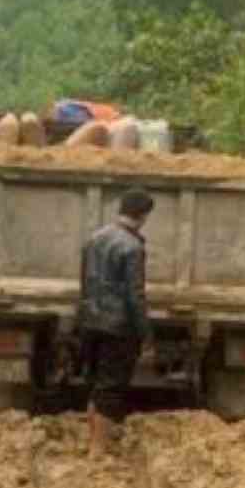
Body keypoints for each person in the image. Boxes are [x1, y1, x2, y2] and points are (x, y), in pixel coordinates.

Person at [78, 189, 154, 457]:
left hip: (91, 321)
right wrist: (145, 333)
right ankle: (98, 449)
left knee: (95, 383)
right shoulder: (133, 247)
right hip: (118, 327)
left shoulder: (95, 238)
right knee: (110, 387)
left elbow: (85, 282)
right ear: (144, 215)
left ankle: (91, 441)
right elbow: (135, 295)